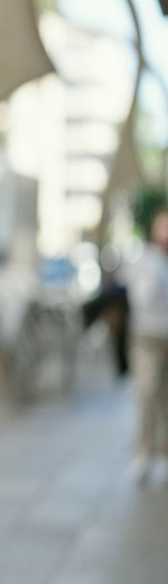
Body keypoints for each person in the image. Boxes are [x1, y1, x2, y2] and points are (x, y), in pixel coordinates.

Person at [126, 207, 168, 485]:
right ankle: (144, 452)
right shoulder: (146, 261)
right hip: (148, 334)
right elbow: (140, 296)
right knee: (147, 391)